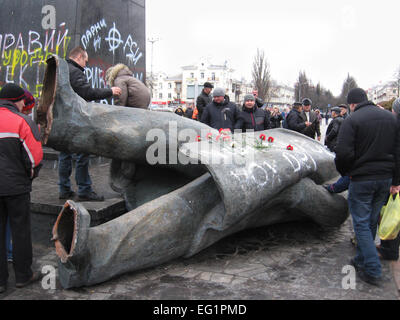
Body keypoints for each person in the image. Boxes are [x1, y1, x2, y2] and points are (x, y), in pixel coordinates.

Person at [335, 88, 397, 286]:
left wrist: (347, 172)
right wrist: (396, 181)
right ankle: (361, 258)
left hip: (362, 179)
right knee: (371, 221)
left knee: (361, 223)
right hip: (385, 179)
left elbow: (343, 153)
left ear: (352, 104)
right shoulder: (390, 118)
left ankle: (372, 268)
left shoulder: (352, 120)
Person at [58, 46, 121, 201]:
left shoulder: (63, 71)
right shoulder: (75, 72)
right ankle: (84, 189)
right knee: (82, 154)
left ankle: (64, 189)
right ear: (79, 57)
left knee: (65, 155)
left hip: (62, 119)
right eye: (85, 60)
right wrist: (110, 91)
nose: (86, 64)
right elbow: (87, 93)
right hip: (75, 121)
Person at [0, 83, 43, 293]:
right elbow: (34, 158)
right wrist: (30, 174)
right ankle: (23, 275)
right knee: (20, 231)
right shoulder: (22, 121)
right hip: (17, 187)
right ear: (18, 101)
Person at [377, 97, 400, 261]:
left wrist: (395, 183)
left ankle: (389, 250)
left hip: (395, 179)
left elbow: (397, 157)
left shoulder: (397, 127)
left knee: (391, 215)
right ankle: (386, 246)